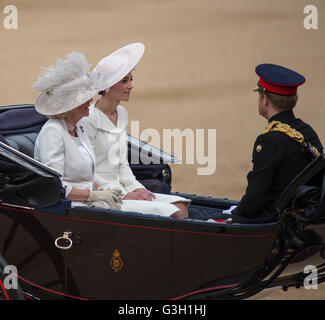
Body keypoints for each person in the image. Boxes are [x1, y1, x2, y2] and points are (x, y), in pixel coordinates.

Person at [81, 43, 190, 219]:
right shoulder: (89, 119)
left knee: (180, 205)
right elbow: (86, 169)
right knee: (176, 212)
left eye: (131, 79)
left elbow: (122, 162)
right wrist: (124, 195)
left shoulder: (122, 114)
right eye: (124, 80)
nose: (130, 85)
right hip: (103, 197)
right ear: (108, 85)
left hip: (122, 189)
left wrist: (137, 188)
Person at [216, 63, 323, 223]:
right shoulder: (307, 131)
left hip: (272, 223)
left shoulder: (270, 140)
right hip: (300, 218)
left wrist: (229, 215)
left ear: (265, 99)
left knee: (195, 215)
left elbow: (252, 204)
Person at [33, 51, 123, 209]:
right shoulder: (52, 132)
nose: (91, 100)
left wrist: (101, 189)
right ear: (69, 105)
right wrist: (92, 195)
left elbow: (85, 177)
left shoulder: (79, 128)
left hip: (88, 203)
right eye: (84, 97)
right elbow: (55, 185)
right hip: (69, 207)